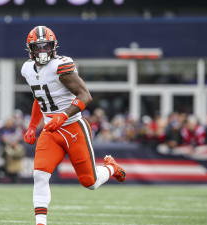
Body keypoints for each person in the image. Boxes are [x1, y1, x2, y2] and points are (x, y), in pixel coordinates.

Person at [21, 26, 126, 225]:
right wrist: (32, 126)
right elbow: (39, 98)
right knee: (39, 175)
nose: (42, 51)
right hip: (50, 131)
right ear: (30, 49)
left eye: (46, 46)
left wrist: (63, 115)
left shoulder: (61, 66)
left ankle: (111, 168)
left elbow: (85, 96)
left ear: (53, 47)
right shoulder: (27, 69)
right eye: (38, 47)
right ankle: (40, 223)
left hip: (72, 127)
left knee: (91, 183)